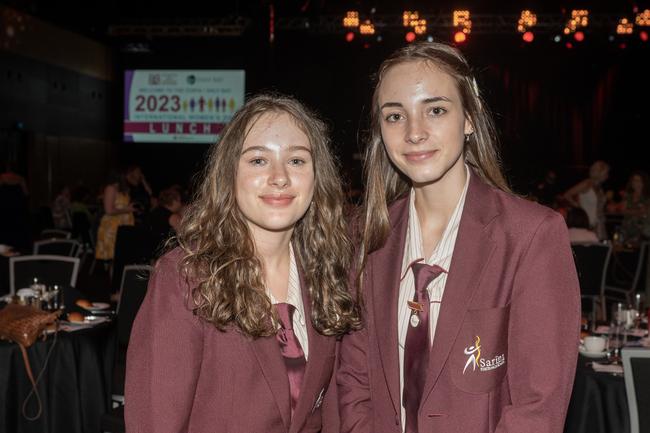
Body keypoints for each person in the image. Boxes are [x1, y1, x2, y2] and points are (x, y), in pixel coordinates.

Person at [337, 42, 580, 433]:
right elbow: (353, 383)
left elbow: (537, 407)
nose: (415, 133)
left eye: (435, 110)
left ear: (469, 117)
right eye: (395, 116)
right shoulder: (365, 237)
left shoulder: (531, 235)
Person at [125, 94, 360, 433]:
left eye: (296, 160)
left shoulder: (330, 274)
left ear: (316, 176)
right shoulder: (185, 279)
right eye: (258, 161)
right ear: (229, 173)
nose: (280, 177)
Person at [562, 160, 610, 240]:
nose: (607, 176)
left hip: (599, 223)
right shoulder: (587, 184)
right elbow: (567, 195)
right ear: (600, 173)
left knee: (600, 248)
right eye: (606, 173)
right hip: (588, 222)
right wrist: (578, 206)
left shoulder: (599, 188)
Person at [94, 172, 135, 261]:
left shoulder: (122, 189)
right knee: (115, 258)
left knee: (121, 259)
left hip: (122, 225)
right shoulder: (111, 188)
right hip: (113, 227)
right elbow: (108, 210)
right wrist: (126, 210)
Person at [618, 170, 650, 244]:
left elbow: (646, 211)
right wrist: (638, 211)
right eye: (634, 180)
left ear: (643, 182)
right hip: (626, 229)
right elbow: (622, 210)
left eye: (638, 180)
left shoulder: (647, 197)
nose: (635, 182)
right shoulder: (628, 196)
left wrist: (629, 211)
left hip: (642, 231)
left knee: (640, 252)